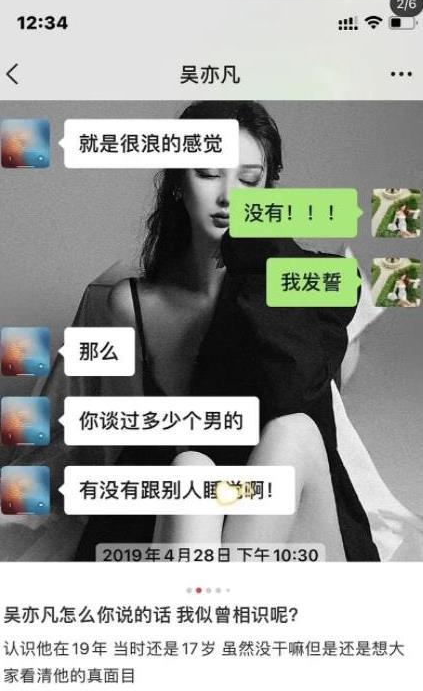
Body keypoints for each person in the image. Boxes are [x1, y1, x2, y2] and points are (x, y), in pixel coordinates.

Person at [74, 100, 378, 561]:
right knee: (190, 468)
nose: (229, 196)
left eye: (249, 180)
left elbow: (302, 403)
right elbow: (129, 448)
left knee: (292, 432)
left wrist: (263, 260)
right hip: (192, 532)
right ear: (178, 182)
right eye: (208, 173)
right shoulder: (129, 305)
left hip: (300, 534)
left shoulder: (315, 282)